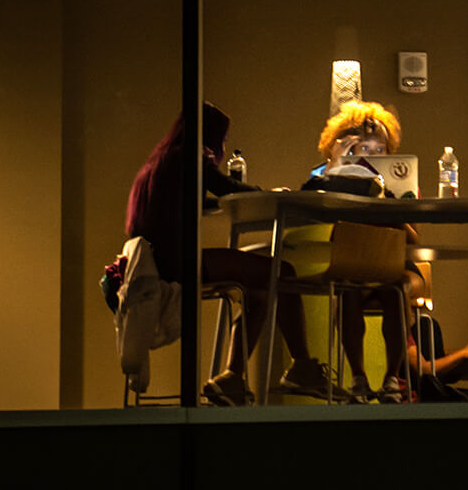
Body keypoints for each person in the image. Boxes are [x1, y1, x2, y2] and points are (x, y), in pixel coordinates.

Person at [126, 102, 339, 405]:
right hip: (179, 263)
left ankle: (231, 378)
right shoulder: (190, 156)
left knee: (260, 289)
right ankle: (302, 366)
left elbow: (193, 201)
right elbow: (226, 187)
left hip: (155, 264)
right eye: (221, 140)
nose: (222, 147)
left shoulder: (157, 164)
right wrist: (270, 195)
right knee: (283, 272)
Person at [311, 100, 426, 403]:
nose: (373, 156)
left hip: (398, 268)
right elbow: (327, 222)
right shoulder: (341, 184)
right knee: (349, 290)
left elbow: (414, 241)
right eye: (364, 150)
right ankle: (358, 379)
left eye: (380, 151)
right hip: (356, 267)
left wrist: (392, 207)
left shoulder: (402, 187)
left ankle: (392, 379)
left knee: (396, 289)